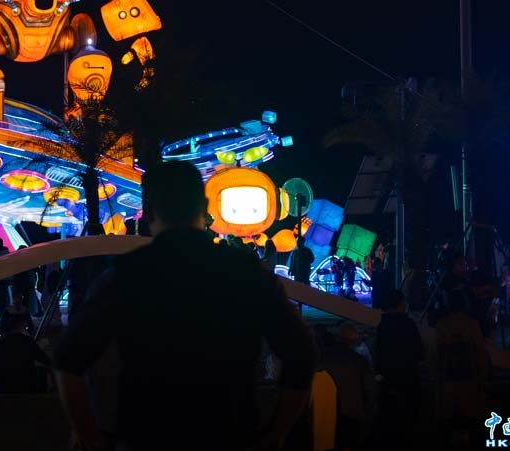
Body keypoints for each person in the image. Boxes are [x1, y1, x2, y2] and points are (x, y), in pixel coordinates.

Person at [52, 161, 316, 451]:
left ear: (149, 211)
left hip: (148, 435)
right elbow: (301, 353)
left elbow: (67, 358)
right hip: (228, 434)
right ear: (205, 207)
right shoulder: (246, 271)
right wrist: (276, 433)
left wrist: (89, 434)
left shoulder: (128, 273)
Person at [434, 285, 488, 447]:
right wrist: (482, 375)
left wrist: (437, 377)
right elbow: (480, 351)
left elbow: (438, 353)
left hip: (448, 376)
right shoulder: (472, 324)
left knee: (448, 418)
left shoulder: (441, 324)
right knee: (470, 417)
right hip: (469, 375)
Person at [373, 289, 424, 447]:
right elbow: (419, 352)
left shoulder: (382, 326)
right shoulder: (409, 325)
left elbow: (378, 354)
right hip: (409, 378)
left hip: (389, 380)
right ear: (401, 304)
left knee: (390, 421)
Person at [319, 322, 375, 451]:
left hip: (327, 411)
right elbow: (370, 390)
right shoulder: (359, 361)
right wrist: (366, 410)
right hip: (353, 413)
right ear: (354, 340)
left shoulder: (324, 357)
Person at [0, 307, 52, 393]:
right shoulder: (28, 341)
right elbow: (45, 360)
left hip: (5, 385)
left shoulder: (2, 342)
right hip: (26, 384)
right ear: (23, 324)